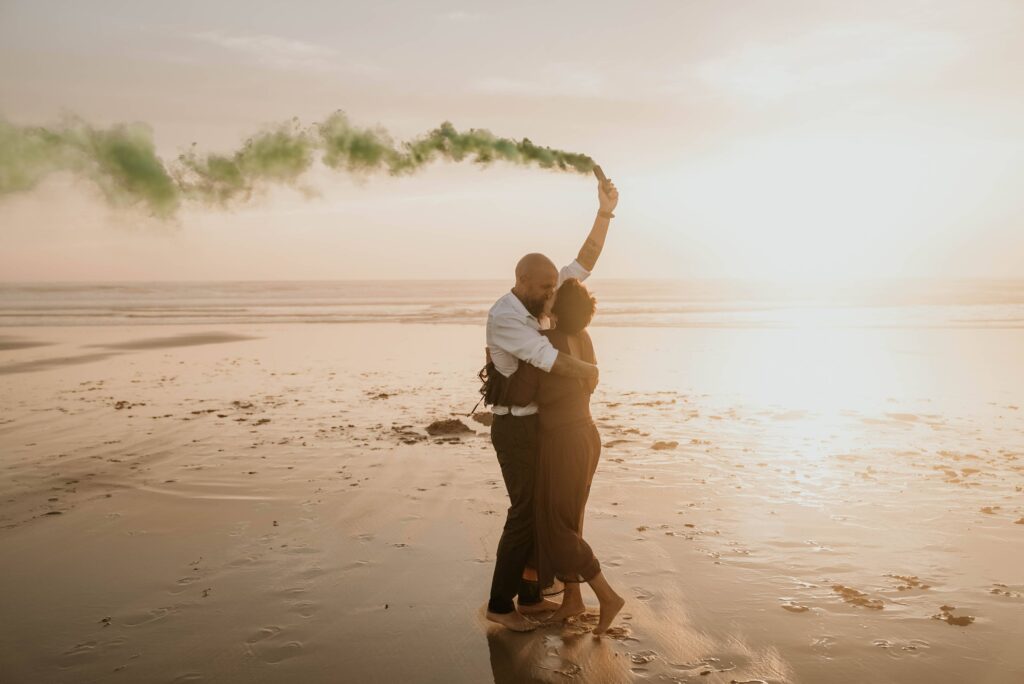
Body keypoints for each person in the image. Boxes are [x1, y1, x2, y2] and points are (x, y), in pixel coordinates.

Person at [482, 174, 619, 632]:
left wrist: (604, 213)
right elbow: (549, 359)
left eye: (552, 287)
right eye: (544, 288)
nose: (550, 294)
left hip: (544, 426)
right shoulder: (505, 317)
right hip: (515, 428)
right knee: (524, 514)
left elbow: (584, 263)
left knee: (544, 514)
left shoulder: (544, 294)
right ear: (522, 281)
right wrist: (593, 373)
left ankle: (532, 594)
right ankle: (501, 605)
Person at [521, 278, 624, 635]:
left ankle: (607, 597)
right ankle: (572, 600)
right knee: (571, 520)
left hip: (564, 441)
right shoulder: (585, 340)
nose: (547, 300)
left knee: (556, 526)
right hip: (587, 435)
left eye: (552, 298)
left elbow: (527, 391)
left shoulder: (546, 342)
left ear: (559, 309)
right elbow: (589, 383)